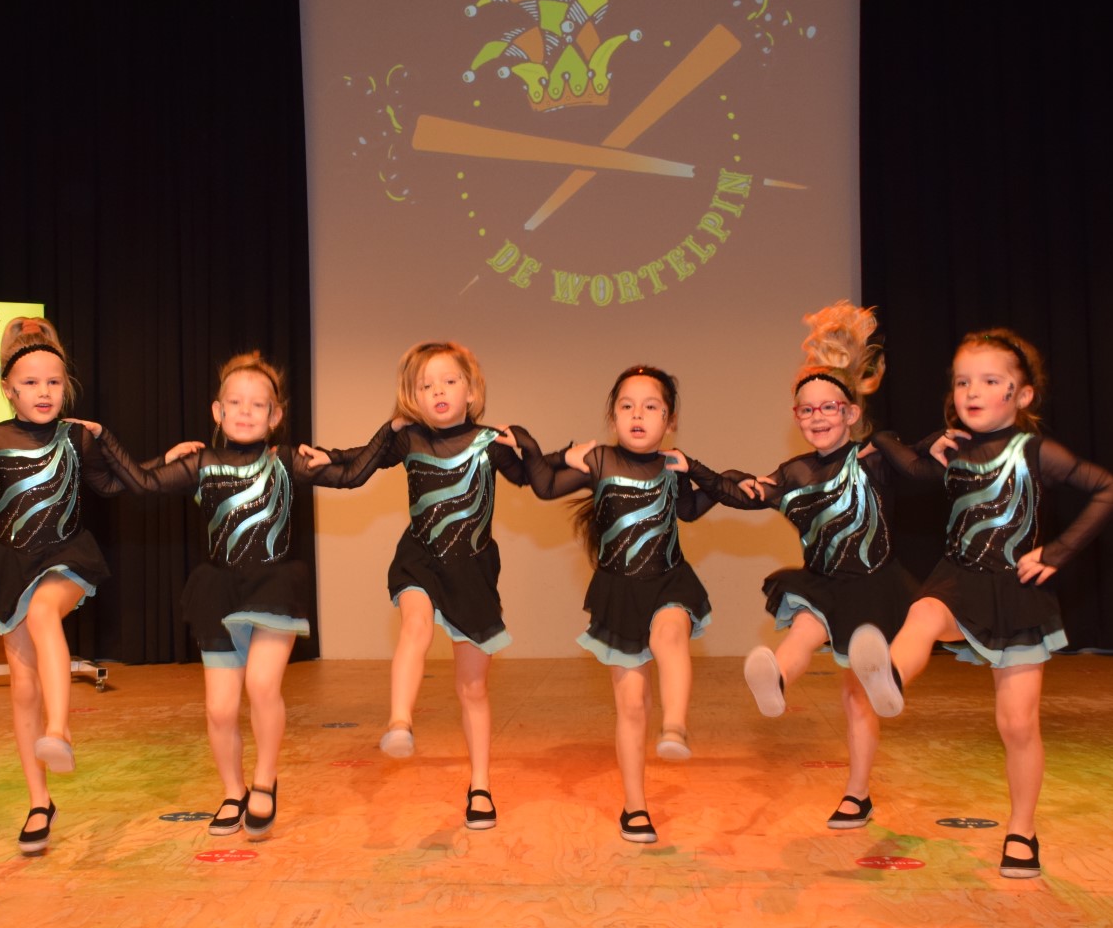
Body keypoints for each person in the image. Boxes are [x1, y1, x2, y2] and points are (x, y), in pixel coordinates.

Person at [0, 317, 195, 853]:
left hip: (66, 556)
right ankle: (39, 802)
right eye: (31, 383)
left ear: (67, 386)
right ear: (8, 389)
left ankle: (58, 730)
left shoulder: (77, 436)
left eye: (54, 382)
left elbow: (118, 483)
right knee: (22, 686)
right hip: (10, 563)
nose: (43, 392)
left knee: (42, 612)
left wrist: (165, 461)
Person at [851, 328, 1113, 877]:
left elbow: (1108, 490)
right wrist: (887, 438)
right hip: (958, 578)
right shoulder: (951, 446)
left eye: (989, 381)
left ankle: (1022, 830)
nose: (971, 392)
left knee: (1017, 725)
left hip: (1015, 591)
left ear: (1022, 395)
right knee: (923, 614)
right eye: (961, 382)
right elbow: (910, 468)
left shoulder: (1036, 451)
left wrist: (1059, 550)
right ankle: (890, 680)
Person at [110, 352, 392, 839]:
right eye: (235, 403)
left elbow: (352, 476)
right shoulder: (200, 463)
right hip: (217, 591)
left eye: (257, 404)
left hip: (274, 586)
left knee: (262, 686)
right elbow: (137, 484)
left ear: (275, 415)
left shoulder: (286, 461)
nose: (245, 411)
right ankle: (232, 791)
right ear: (217, 411)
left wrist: (392, 430)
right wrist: (157, 457)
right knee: (220, 709)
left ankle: (265, 780)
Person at [708, 302, 918, 829]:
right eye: (806, 410)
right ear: (796, 417)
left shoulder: (875, 457)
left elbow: (923, 469)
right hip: (823, 583)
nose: (817, 417)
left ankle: (857, 792)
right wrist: (693, 471)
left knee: (856, 697)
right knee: (804, 629)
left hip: (873, 584)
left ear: (850, 413)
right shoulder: (794, 472)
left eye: (828, 407)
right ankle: (775, 681)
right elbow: (743, 494)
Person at [513, 366, 726, 843]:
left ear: (669, 420)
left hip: (668, 580)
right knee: (631, 705)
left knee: (670, 636)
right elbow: (543, 484)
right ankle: (635, 807)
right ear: (613, 417)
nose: (637, 415)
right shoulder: (599, 460)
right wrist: (545, 449)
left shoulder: (672, 466)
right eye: (627, 406)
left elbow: (689, 509)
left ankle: (674, 727)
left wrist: (714, 479)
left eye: (651, 407)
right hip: (619, 592)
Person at [371, 341, 528, 831]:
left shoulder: (489, 443)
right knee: (414, 627)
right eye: (426, 385)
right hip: (419, 558)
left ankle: (480, 785)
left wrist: (549, 451)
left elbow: (539, 480)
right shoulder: (410, 440)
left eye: (449, 381)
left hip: (471, 571)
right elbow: (351, 468)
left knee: (473, 687)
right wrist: (382, 431)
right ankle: (400, 721)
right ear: (413, 397)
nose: (438, 390)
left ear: (471, 391)